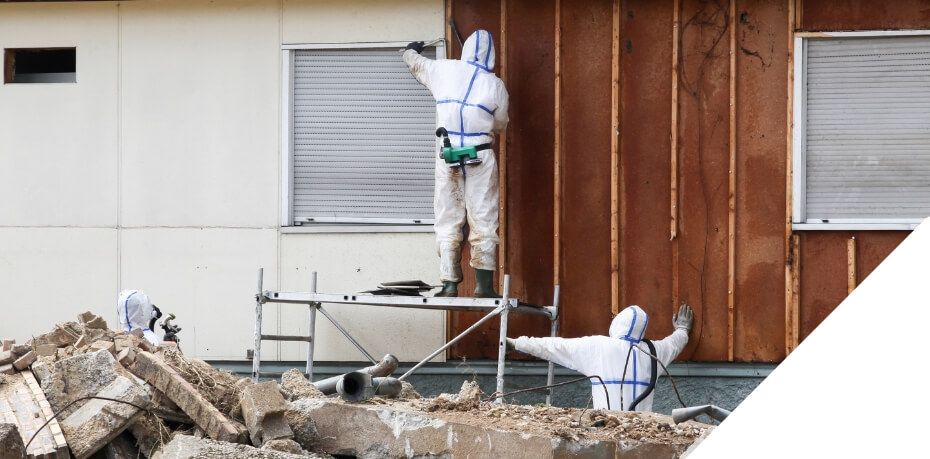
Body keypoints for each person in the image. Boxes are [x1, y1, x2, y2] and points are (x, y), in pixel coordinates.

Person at [403, 30, 510, 298]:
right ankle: (484, 287)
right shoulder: (495, 84)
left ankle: (450, 284)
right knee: (483, 219)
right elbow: (501, 124)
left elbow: (414, 63)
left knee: (448, 218)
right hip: (480, 154)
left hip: (447, 154)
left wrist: (411, 49)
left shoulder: (443, 70)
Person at [507, 304, 694, 412]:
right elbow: (674, 343)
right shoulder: (653, 350)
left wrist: (517, 343)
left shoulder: (599, 346)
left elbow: (555, 346)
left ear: (618, 323)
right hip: (642, 431)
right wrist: (683, 329)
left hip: (605, 428)